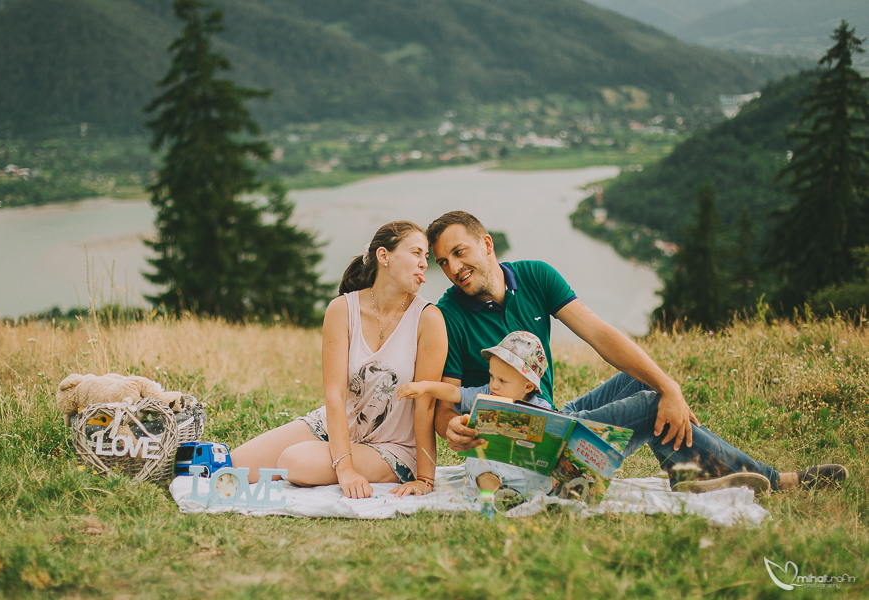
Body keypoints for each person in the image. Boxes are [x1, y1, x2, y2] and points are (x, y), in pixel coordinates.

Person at [425, 210, 848, 494]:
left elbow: (602, 335)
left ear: (486, 244)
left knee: (643, 381)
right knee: (649, 406)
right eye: (443, 261)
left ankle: (686, 470)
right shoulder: (448, 315)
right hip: (527, 446)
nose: (453, 268)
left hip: (552, 416)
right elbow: (444, 401)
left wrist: (670, 386)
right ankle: (776, 480)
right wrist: (450, 429)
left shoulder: (535, 277)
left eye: (459, 252)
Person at [231, 221, 448, 498]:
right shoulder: (342, 309)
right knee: (234, 466)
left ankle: (333, 460)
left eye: (426, 257)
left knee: (294, 461)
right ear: (384, 256)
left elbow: (425, 406)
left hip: (391, 447)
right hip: (336, 427)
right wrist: (344, 467)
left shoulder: (428, 319)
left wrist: (426, 479)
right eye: (416, 253)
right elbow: (334, 394)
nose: (423, 263)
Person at [398, 331, 555, 508]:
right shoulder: (487, 395)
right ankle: (500, 494)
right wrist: (424, 386)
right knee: (476, 462)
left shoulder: (542, 409)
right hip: (494, 471)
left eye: (502, 380)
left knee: (553, 472)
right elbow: (454, 392)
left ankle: (554, 490)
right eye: (492, 376)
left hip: (528, 471)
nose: (494, 384)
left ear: (528, 386)